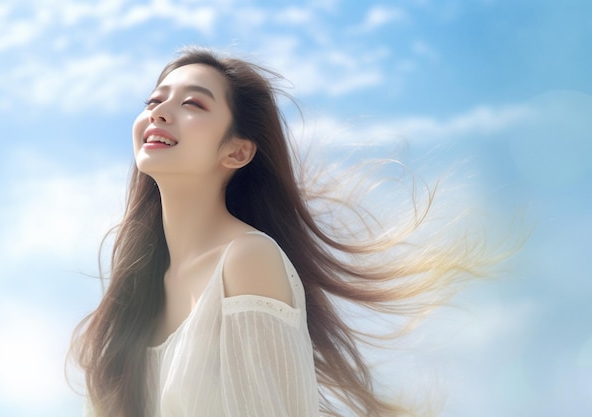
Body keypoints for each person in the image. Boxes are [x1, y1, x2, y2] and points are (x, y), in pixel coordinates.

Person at [70, 47, 488, 417]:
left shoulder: (246, 259)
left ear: (237, 151)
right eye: (154, 100)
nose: (158, 112)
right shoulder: (138, 284)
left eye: (193, 104)